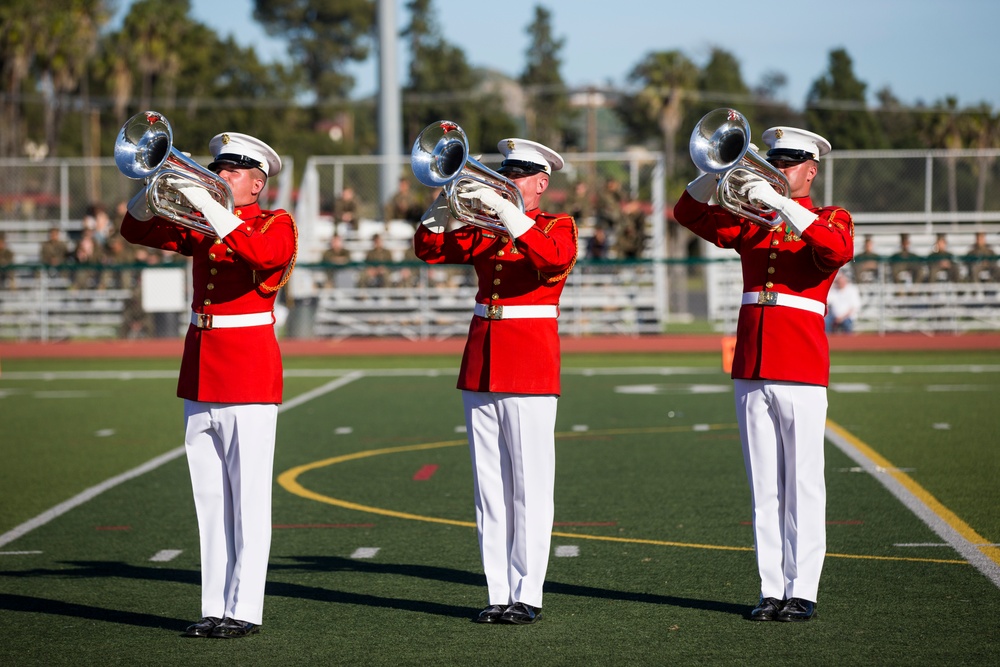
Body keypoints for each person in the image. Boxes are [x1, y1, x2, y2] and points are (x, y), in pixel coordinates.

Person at [119, 128, 296, 639]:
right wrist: (154, 185)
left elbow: (261, 256)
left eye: (231, 171)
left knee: (247, 499)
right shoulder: (205, 222)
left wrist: (209, 206)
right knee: (210, 500)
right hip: (202, 366)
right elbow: (136, 230)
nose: (218, 176)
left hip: (248, 372)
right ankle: (215, 606)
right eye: (216, 168)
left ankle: (244, 610)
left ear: (257, 183)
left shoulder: (275, 222)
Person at [674, 123, 853, 622]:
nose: (778, 170)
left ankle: (804, 589)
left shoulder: (827, 216)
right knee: (765, 487)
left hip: (799, 363)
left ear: (811, 171)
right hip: (753, 362)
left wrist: (783, 206)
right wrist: (717, 172)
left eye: (789, 163)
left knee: (803, 483)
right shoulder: (755, 220)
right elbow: (687, 213)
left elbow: (835, 250)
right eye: (773, 161)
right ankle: (771, 588)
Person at [413, 135, 577, 626]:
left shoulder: (556, 226)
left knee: (528, 486)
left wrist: (505, 215)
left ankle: (527, 594)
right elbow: (429, 249)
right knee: (490, 487)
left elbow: (551, 260)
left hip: (529, 365)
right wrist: (445, 202)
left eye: (517, 175)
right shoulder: (487, 229)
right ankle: (498, 591)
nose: (505, 182)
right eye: (502, 174)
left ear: (541, 183)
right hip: (483, 362)